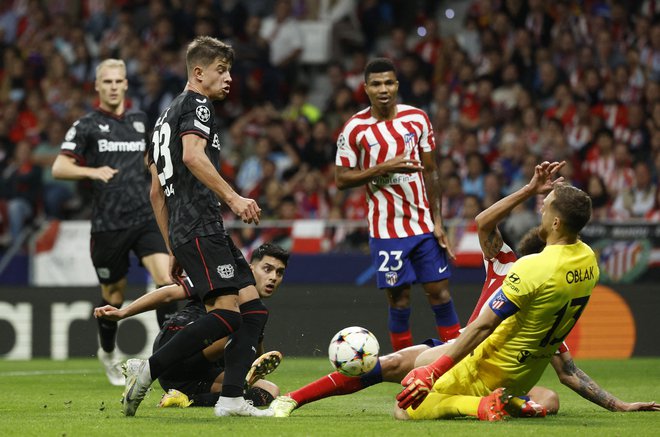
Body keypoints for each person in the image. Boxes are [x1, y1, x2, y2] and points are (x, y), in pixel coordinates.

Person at [270, 161, 659, 418]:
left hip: (471, 351)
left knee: (392, 374)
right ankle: (293, 398)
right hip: (470, 350)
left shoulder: (523, 272)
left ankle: (291, 399)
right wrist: (619, 406)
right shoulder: (529, 268)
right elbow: (485, 222)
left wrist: (619, 405)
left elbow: (543, 356)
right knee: (387, 365)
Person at [118, 36, 271, 418]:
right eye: (222, 70)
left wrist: (172, 246)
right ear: (198, 72)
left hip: (193, 230)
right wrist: (234, 199)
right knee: (228, 314)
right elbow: (191, 155)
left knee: (253, 310)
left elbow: (156, 191)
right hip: (201, 223)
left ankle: (232, 399)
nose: (229, 78)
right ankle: (148, 370)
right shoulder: (197, 104)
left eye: (230, 70)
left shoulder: (160, 121)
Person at [395, 180, 602, 421]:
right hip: (521, 378)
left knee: (405, 407)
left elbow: (484, 325)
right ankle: (509, 401)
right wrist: (619, 405)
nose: (540, 212)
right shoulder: (588, 261)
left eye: (545, 208)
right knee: (423, 358)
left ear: (556, 222)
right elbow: (569, 371)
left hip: (485, 367)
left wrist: (432, 371)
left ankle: (478, 405)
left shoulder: (530, 267)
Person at [51, 59, 173, 387]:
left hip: (145, 219)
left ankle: (167, 359)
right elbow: (59, 167)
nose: (114, 86)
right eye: (108, 82)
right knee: (113, 297)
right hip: (108, 225)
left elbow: (152, 160)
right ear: (97, 86)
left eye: (119, 81)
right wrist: (92, 171)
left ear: (126, 85)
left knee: (167, 283)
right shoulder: (87, 125)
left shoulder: (139, 120)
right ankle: (108, 351)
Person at [334, 57, 460, 352]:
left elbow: (431, 171)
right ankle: (403, 371)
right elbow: (341, 179)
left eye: (389, 82)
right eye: (376, 84)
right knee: (399, 300)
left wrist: (438, 222)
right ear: (365, 88)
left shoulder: (417, 118)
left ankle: (455, 362)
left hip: (423, 226)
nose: (383, 89)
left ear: (397, 85)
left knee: (440, 294)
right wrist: (382, 168)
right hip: (386, 229)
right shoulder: (354, 129)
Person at [94, 243, 289, 409]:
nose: (273, 277)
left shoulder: (257, 312)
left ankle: (185, 399)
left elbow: (252, 353)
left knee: (268, 392)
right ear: (250, 268)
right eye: (267, 269)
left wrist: (257, 368)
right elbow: (168, 293)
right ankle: (147, 367)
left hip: (188, 376)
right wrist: (124, 313)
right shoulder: (225, 278)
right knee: (235, 323)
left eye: (279, 273)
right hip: (175, 346)